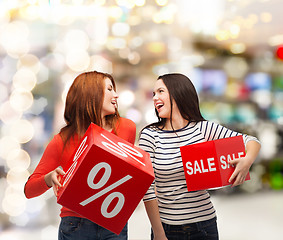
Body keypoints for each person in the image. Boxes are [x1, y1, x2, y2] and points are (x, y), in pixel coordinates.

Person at [138, 73, 261, 240]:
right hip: (167, 229)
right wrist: (158, 233)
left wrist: (247, 160)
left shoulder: (203, 129)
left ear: (178, 93)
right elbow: (147, 188)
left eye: (160, 91)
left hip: (205, 226)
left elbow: (251, 141)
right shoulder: (150, 135)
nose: (155, 98)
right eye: (154, 93)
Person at [24, 71, 136, 240]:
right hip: (75, 225)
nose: (116, 95)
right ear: (92, 94)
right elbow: (29, 190)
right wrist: (49, 178)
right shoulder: (61, 140)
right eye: (110, 89)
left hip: (112, 222)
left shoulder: (126, 128)